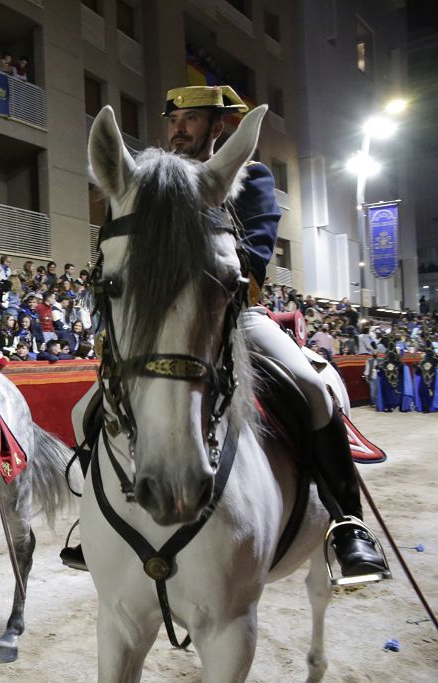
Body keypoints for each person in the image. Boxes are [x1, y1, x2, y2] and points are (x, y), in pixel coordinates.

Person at [62, 84, 389, 581]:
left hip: (234, 315)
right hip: (162, 321)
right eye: (173, 119)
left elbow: (254, 259)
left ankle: (347, 525)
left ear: (218, 127)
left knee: (314, 388)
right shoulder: (144, 184)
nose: (178, 128)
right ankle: (101, 525)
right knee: (85, 408)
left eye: (191, 120)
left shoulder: (250, 178)